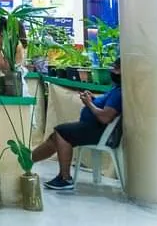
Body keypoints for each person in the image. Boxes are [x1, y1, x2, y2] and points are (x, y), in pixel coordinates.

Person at [33, 59, 123, 191]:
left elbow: (105, 117)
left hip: (98, 131)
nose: (112, 71)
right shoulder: (116, 89)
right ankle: (27, 162)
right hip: (93, 127)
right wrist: (93, 99)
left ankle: (65, 178)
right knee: (55, 137)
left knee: (61, 132)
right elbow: (103, 106)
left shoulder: (119, 93)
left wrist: (89, 103)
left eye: (116, 69)